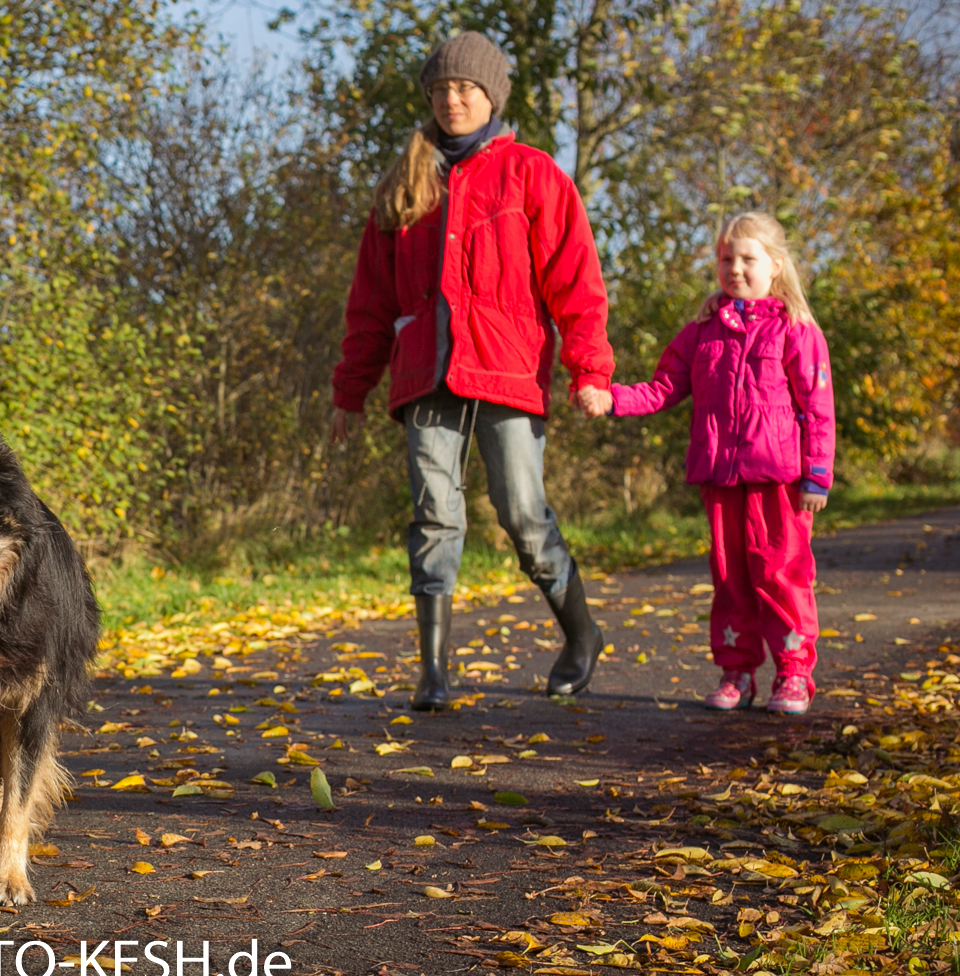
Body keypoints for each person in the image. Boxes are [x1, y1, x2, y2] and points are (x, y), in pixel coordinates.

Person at [331, 32, 616, 712]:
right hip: (422, 378)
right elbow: (370, 300)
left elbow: (576, 280)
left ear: (491, 96)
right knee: (434, 515)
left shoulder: (532, 173)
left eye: (466, 88)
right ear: (430, 97)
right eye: (442, 89)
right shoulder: (405, 183)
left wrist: (590, 370)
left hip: (508, 370)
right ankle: (434, 670)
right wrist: (351, 390)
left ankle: (581, 636)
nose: (453, 99)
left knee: (521, 513)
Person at [579, 211, 834, 715]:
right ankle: (736, 670)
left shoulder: (795, 329)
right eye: (725, 259)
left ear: (775, 266)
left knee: (782, 573)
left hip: (779, 479)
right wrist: (613, 399)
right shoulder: (703, 330)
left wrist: (817, 474)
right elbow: (665, 386)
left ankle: (793, 672)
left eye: (747, 259)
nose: (735, 268)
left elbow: (817, 405)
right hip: (720, 476)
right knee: (729, 577)